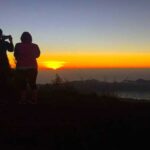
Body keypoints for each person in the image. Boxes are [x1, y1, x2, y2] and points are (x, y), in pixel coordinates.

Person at [14, 32, 40, 104]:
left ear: (21, 38)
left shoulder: (18, 45)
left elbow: (15, 55)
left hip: (20, 68)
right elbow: (38, 55)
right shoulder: (35, 46)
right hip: (32, 67)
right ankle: (34, 100)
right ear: (30, 38)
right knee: (32, 84)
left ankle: (23, 100)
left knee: (22, 84)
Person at [0, 29, 14, 99]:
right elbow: (11, 49)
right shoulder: (3, 42)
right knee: (4, 80)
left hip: (4, 64)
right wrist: (10, 40)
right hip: (4, 64)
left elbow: (11, 49)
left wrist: (7, 39)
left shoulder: (3, 42)